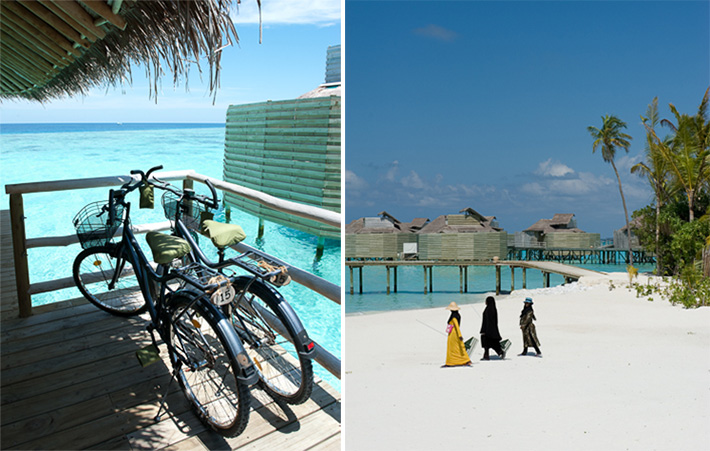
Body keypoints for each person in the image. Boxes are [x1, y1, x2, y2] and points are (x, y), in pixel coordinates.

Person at [444, 301, 472, 367]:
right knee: (458, 347)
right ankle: (463, 360)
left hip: (453, 334)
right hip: (454, 333)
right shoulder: (458, 316)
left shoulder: (453, 317)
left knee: (453, 348)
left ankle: (452, 361)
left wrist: (460, 335)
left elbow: (456, 326)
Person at [480, 296, 505, 360]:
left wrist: (485, 330)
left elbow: (488, 320)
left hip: (488, 329)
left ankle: (488, 355)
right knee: (492, 343)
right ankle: (497, 353)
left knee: (488, 342)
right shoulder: (492, 308)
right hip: (491, 329)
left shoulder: (489, 309)